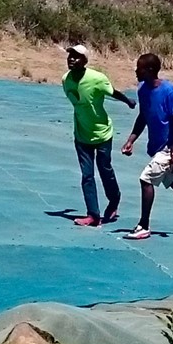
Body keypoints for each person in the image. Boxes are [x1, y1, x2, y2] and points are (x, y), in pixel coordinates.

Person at [119, 52, 173, 240]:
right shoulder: (142, 89)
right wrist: (131, 140)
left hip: (170, 145)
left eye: (139, 68)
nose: (136, 71)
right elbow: (143, 116)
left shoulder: (169, 91)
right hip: (158, 146)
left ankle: (143, 226)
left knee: (146, 179)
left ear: (149, 70)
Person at [61, 44, 134, 227]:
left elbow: (113, 92)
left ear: (85, 61)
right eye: (70, 56)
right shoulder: (66, 80)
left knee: (105, 169)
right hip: (81, 135)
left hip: (102, 134)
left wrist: (128, 101)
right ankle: (93, 215)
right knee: (87, 175)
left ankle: (114, 199)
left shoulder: (97, 78)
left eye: (77, 56)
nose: (72, 59)